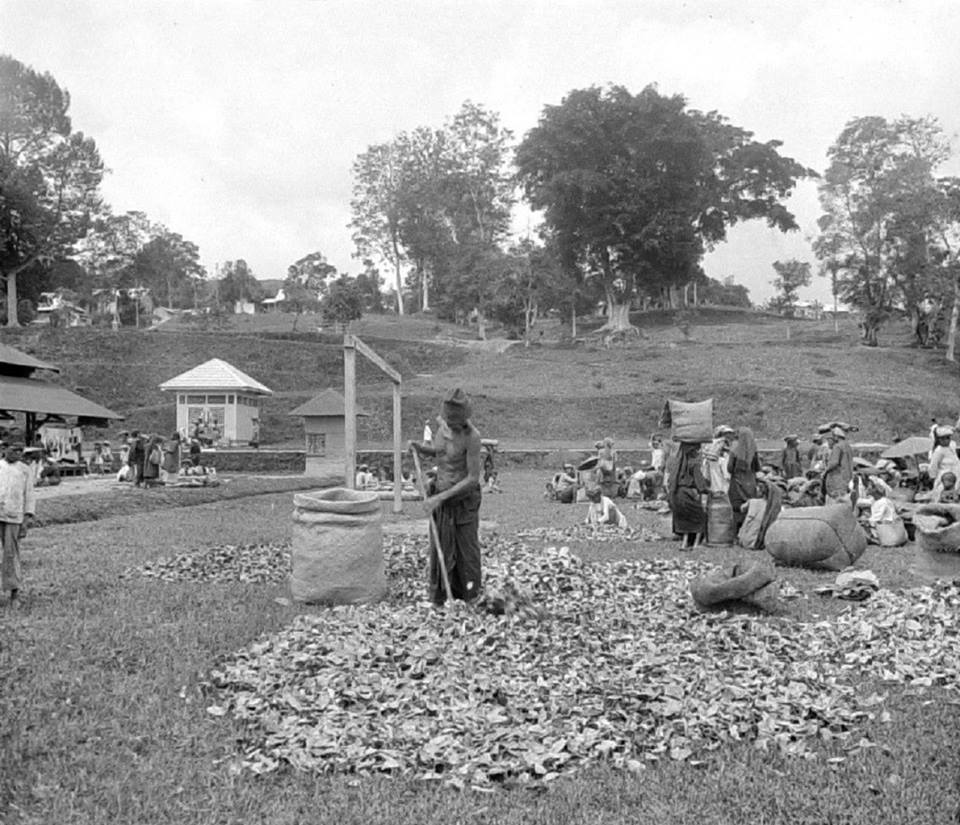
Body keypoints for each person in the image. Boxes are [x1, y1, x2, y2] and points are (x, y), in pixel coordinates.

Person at [408, 388, 483, 606]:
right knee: (440, 546)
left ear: (464, 418)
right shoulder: (442, 430)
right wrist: (420, 448)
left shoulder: (472, 438)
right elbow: (439, 452)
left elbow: (472, 478)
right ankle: (441, 596)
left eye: (455, 421)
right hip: (441, 496)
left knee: (466, 550)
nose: (451, 424)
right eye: (449, 420)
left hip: (463, 502)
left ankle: (470, 595)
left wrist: (440, 499)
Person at [1, 443, 36, 605]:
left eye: (20, 451)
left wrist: (27, 518)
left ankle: (14, 592)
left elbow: (29, 494)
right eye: (13, 449)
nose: (17, 453)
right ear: (4, 449)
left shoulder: (24, 470)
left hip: (14, 515)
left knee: (11, 553)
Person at [668, 442, 709, 549]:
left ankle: (684, 543)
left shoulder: (678, 463)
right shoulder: (693, 464)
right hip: (689, 494)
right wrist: (707, 490)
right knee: (700, 517)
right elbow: (700, 483)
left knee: (685, 520)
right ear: (693, 451)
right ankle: (696, 544)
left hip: (678, 495)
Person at [727, 427, 760, 530]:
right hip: (751, 483)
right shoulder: (753, 450)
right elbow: (757, 468)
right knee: (749, 505)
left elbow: (730, 468)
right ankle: (748, 528)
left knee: (736, 505)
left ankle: (736, 530)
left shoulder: (734, 449)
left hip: (737, 483)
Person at [822, 426, 854, 503]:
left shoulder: (837, 447)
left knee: (837, 499)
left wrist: (825, 471)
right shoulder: (848, 446)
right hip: (847, 475)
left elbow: (834, 462)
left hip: (838, 476)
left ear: (836, 436)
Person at [927, 425, 960, 493]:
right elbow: (933, 466)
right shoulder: (938, 451)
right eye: (943, 438)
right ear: (940, 439)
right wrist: (932, 477)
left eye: (948, 438)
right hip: (945, 476)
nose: (946, 440)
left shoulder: (952, 446)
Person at [701, 425, 734, 494]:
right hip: (723, 489)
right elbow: (727, 475)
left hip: (712, 465)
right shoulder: (723, 446)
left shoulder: (710, 446)